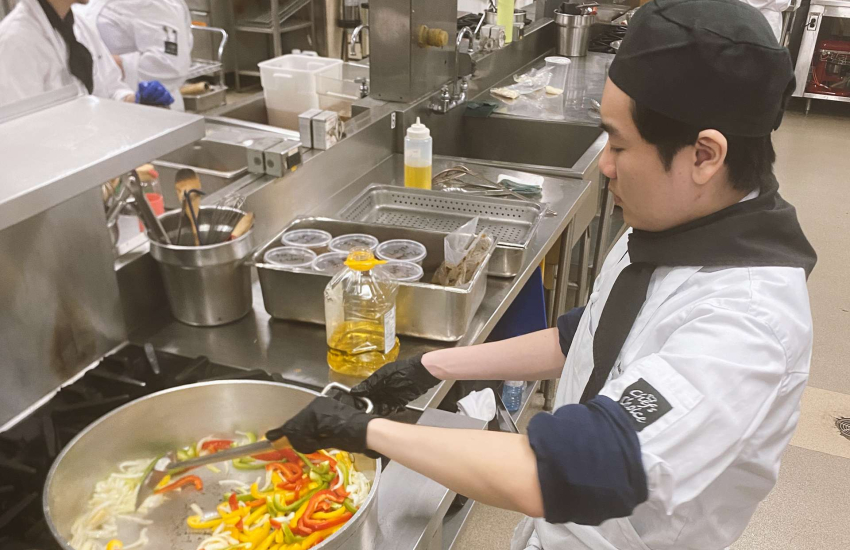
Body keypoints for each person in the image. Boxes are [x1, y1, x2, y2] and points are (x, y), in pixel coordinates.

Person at [268, 0, 817, 549]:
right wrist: (428, 367)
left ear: (704, 155)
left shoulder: (746, 323)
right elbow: (593, 335)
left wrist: (365, 433)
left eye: (620, 145)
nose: (605, 165)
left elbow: (574, 466)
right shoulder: (673, 223)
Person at [0, 0, 173, 108]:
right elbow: (22, 132)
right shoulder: (15, 42)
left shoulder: (78, 25)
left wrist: (133, 101)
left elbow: (110, 89)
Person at [79, 0, 193, 110]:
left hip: (148, 106)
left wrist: (104, 63)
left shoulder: (156, 3)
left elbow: (171, 64)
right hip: (105, 101)